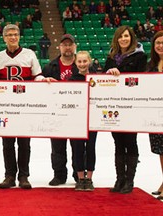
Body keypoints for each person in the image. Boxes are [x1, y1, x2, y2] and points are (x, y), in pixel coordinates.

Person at [0, 24, 52, 190]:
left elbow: (37, 76)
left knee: (24, 143)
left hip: (25, 105)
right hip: (5, 106)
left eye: (15, 34)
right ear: (4, 38)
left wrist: (44, 80)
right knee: (7, 143)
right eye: (9, 35)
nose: (13, 37)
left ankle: (24, 176)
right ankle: (9, 175)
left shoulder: (29, 54)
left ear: (19, 36)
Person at [103, 26, 147, 194]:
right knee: (118, 142)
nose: (123, 39)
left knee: (131, 142)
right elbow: (104, 80)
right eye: (121, 36)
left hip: (131, 106)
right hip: (114, 106)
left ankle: (130, 180)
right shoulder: (111, 57)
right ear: (117, 39)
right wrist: (109, 73)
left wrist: (119, 73)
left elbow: (139, 80)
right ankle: (119, 178)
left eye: (126, 36)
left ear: (132, 38)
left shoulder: (140, 56)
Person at [42, 34, 85, 186]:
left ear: (75, 46)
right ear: (59, 47)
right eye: (64, 44)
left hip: (76, 113)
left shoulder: (82, 65)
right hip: (56, 112)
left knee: (77, 146)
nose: (67, 47)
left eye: (70, 44)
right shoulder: (49, 67)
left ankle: (78, 173)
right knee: (57, 146)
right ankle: (59, 174)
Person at [69, 51, 98, 191]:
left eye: (84, 61)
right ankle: (80, 178)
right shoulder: (71, 79)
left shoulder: (97, 78)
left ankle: (90, 178)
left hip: (92, 119)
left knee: (91, 148)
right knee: (77, 149)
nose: (82, 64)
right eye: (79, 62)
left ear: (89, 61)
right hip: (75, 121)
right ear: (75, 62)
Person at [146, 30, 163, 200]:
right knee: (161, 151)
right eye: (157, 43)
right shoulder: (150, 65)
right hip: (156, 115)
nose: (160, 46)